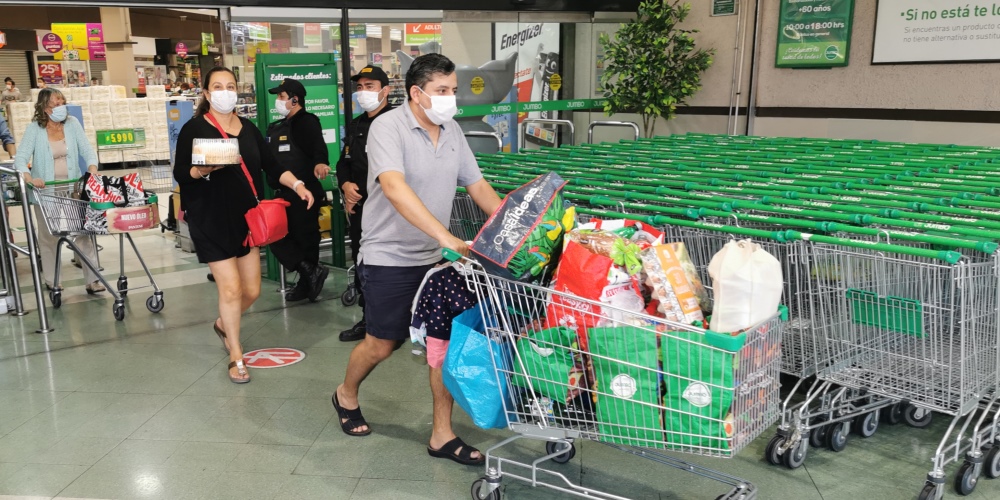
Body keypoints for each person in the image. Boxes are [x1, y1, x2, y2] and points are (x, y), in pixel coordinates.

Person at [331, 54, 502, 466]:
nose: (450, 98)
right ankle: (345, 394)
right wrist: (445, 235)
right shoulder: (387, 128)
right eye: (442, 91)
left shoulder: (452, 130)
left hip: (437, 261)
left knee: (444, 345)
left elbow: (477, 185)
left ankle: (442, 434)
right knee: (382, 344)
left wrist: (511, 228)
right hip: (389, 256)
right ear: (416, 93)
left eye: (453, 90)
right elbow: (393, 187)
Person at [173, 66, 315, 384]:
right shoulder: (194, 128)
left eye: (230, 86)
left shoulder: (249, 129)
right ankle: (236, 354)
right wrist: (203, 169)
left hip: (245, 218)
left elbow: (272, 165)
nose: (225, 92)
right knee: (231, 288)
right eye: (217, 86)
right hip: (209, 218)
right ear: (207, 93)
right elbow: (181, 172)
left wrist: (298, 185)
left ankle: (223, 323)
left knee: (251, 290)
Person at [14, 88, 104, 293]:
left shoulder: (72, 124)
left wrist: (92, 169)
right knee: (49, 237)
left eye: (62, 103)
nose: (61, 107)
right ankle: (53, 280)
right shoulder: (34, 129)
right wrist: (30, 178)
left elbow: (87, 150)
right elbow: (21, 159)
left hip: (73, 189)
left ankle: (93, 280)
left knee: (83, 233)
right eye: (56, 104)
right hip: (46, 192)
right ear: (45, 107)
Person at [335, 65, 395, 342]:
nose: (363, 92)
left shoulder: (397, 122)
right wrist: (346, 186)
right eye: (359, 87)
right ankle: (368, 318)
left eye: (369, 86)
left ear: (386, 90)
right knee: (363, 260)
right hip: (361, 208)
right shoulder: (357, 125)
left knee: (391, 265)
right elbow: (344, 162)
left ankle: (398, 318)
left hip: (392, 209)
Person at [265, 78, 330, 302]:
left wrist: (320, 163)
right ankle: (310, 272)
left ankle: (306, 284)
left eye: (281, 96)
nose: (278, 100)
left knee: (306, 239)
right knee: (276, 236)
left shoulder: (306, 122)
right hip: (283, 193)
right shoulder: (277, 126)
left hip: (305, 192)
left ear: (295, 100)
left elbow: (318, 147)